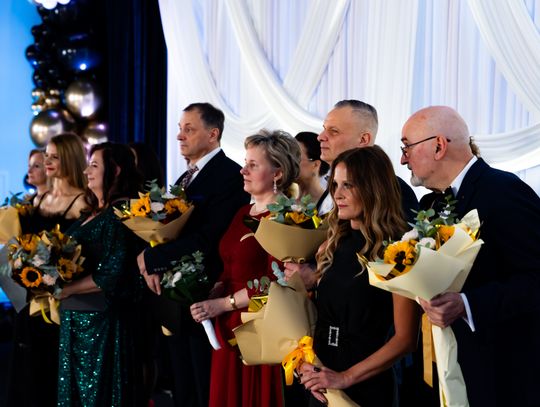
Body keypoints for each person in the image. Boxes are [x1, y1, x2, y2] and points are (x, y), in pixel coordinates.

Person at [400, 106, 540, 406]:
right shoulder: (431, 204)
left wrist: (467, 304)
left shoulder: (504, 191)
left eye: (407, 147)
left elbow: (535, 279)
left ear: (439, 146)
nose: (402, 159)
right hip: (446, 367)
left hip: (501, 373)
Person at [138, 102, 250, 407]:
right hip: (177, 298)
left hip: (206, 294)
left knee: (202, 387)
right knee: (182, 386)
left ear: (213, 134)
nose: (179, 136)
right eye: (179, 129)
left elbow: (209, 237)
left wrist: (152, 259)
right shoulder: (185, 178)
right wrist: (151, 257)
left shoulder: (229, 175)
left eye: (189, 129)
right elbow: (167, 231)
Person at [298, 147, 418, 406]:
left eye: (348, 185)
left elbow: (405, 340)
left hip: (366, 385)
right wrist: (304, 362)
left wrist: (345, 377)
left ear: (373, 188)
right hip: (321, 380)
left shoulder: (398, 251)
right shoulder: (331, 244)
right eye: (335, 185)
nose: (337, 194)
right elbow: (314, 317)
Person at [189, 129, 301, 407]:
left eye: (253, 165)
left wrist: (223, 304)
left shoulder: (285, 218)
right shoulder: (243, 212)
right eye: (244, 163)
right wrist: (212, 292)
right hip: (227, 326)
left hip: (258, 329)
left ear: (277, 173)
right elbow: (230, 265)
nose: (243, 171)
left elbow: (275, 284)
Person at [57, 142, 145, 406]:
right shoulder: (94, 211)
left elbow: (111, 274)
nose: (86, 171)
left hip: (103, 322)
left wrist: (66, 289)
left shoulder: (120, 213)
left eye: (94, 165)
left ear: (115, 170)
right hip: (77, 318)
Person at [7, 133, 88, 407]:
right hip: (31, 300)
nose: (48, 161)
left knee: (53, 374)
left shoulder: (82, 202)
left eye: (55, 156)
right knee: (27, 373)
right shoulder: (39, 200)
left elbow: (83, 255)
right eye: (47, 156)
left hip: (63, 304)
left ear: (70, 159)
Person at [295, 131, 329, 205]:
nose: (288, 161)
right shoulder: (285, 200)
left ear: (315, 165)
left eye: (296, 156)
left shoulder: (329, 205)